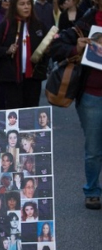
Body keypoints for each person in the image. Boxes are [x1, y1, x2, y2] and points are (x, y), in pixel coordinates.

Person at [50, 2, 102, 209]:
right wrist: (76, 47)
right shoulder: (86, 21)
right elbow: (56, 47)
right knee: (94, 148)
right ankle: (92, 190)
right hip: (92, 95)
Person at [0, 0, 49, 109]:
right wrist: (7, 50)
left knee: (31, 110)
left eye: (28, 4)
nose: (26, 7)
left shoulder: (39, 25)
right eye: (22, 4)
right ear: (15, 6)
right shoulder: (5, 25)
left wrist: (47, 49)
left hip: (33, 78)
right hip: (12, 78)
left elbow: (48, 47)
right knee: (14, 112)